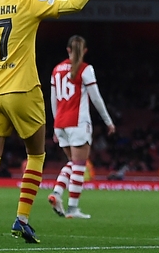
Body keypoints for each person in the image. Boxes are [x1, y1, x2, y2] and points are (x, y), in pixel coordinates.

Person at [0, 0, 108, 243]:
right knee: (36, 155)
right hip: (23, 91)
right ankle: (21, 219)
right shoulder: (29, 4)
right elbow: (75, 4)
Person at [47, 35, 115, 220]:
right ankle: (72, 208)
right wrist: (108, 121)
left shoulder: (56, 69)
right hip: (78, 122)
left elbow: (53, 100)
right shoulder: (85, 69)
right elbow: (96, 98)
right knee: (79, 165)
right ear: (84, 51)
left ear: (68, 50)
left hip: (60, 122)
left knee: (71, 163)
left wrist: (55, 125)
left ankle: (57, 193)